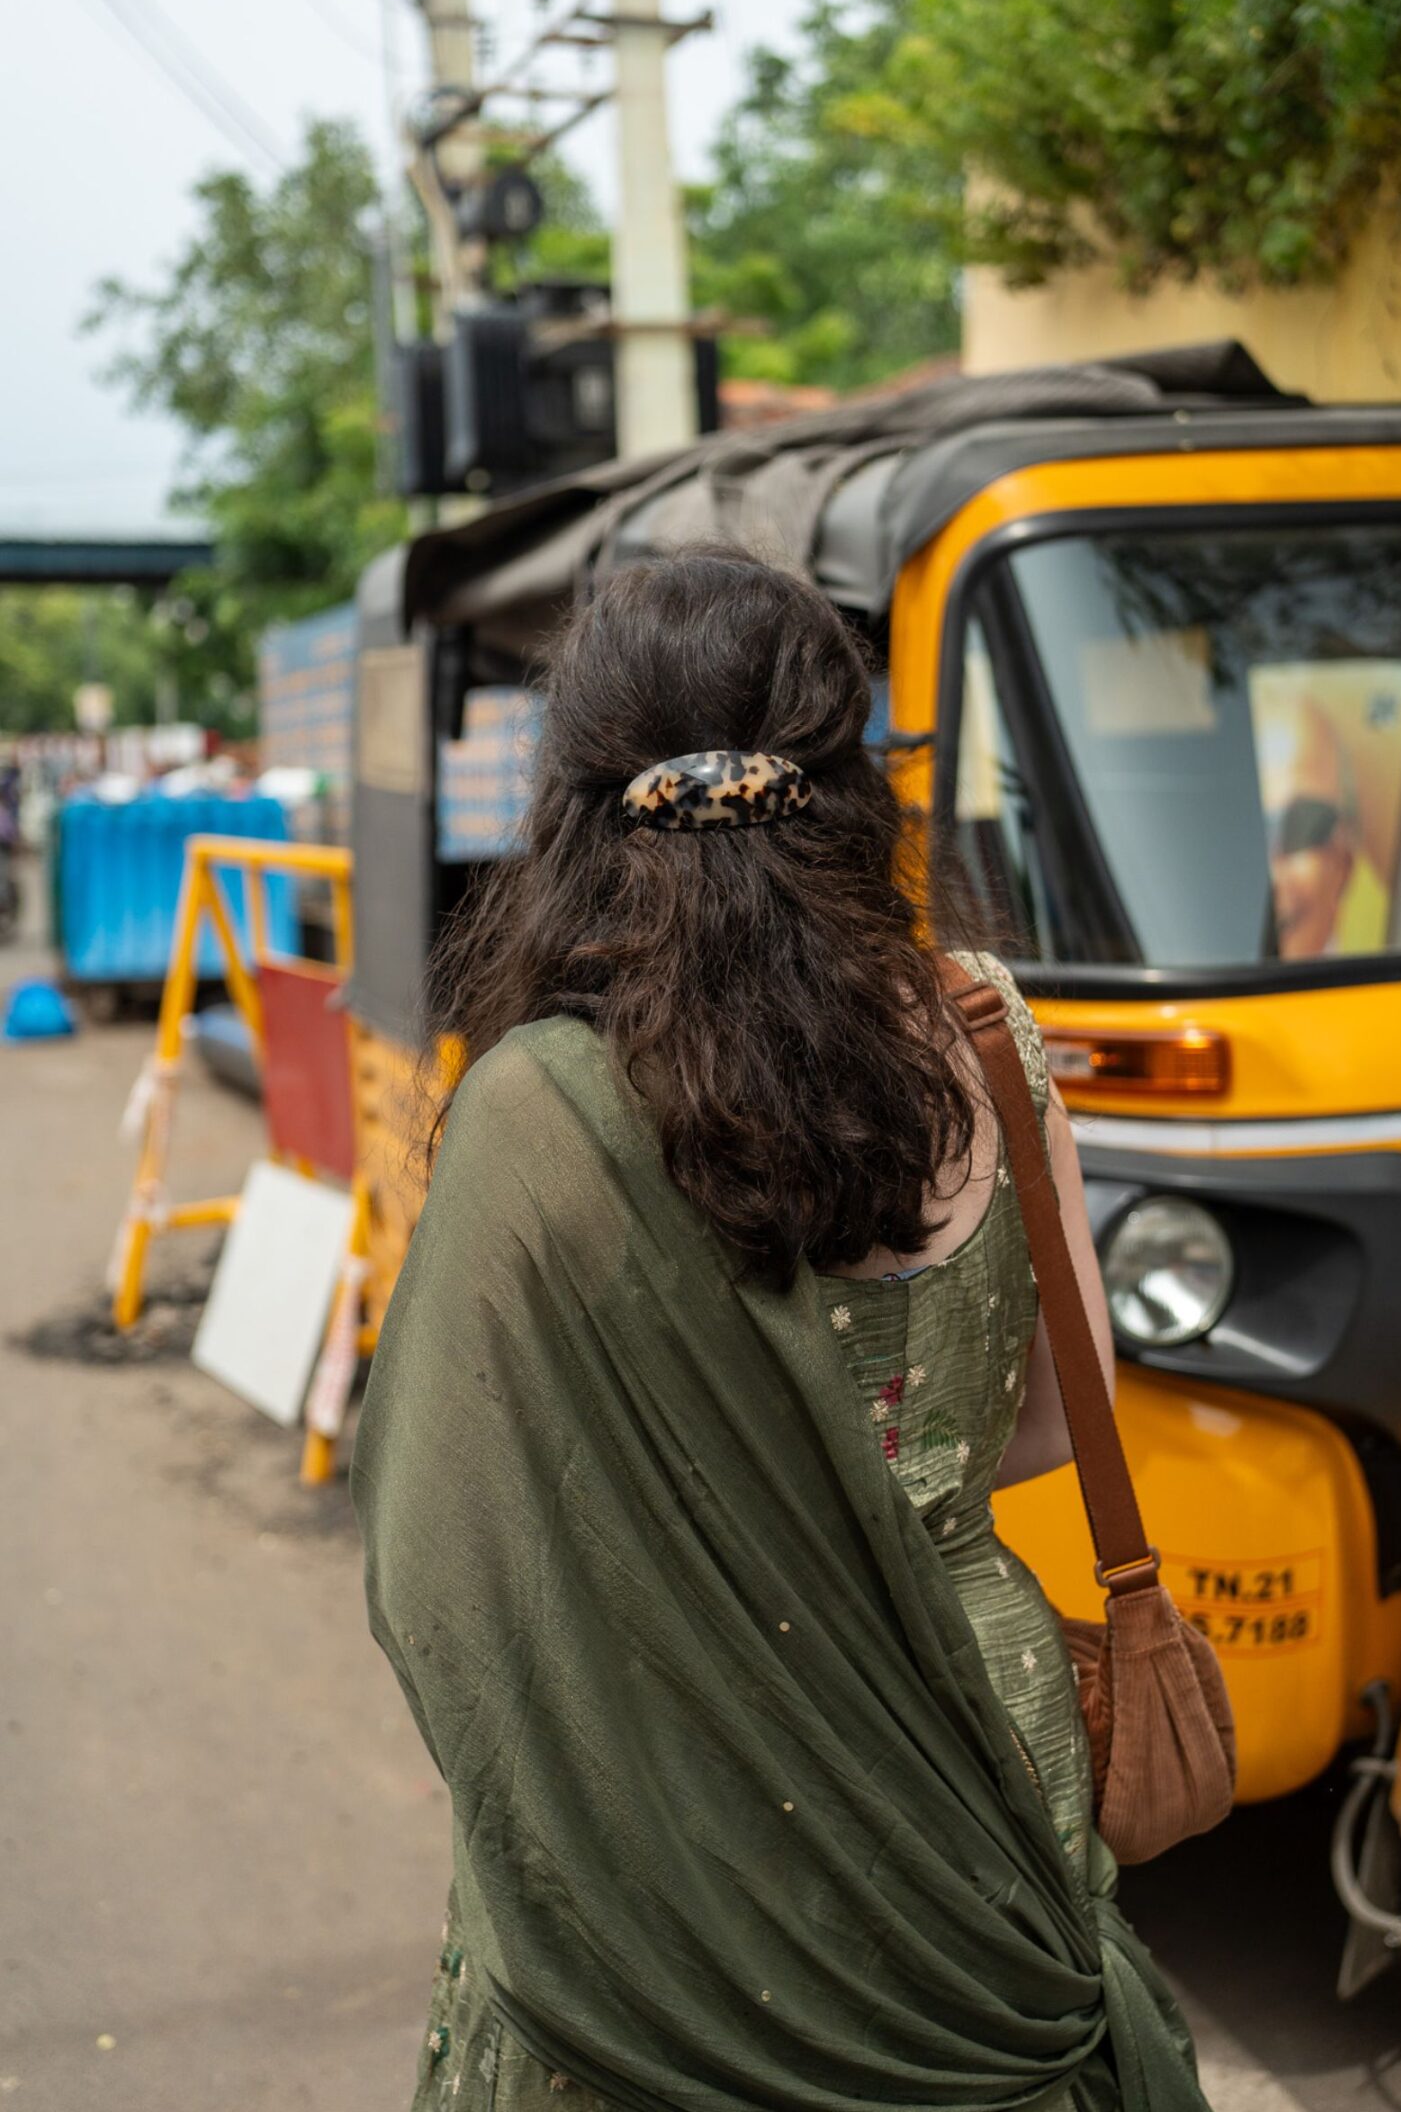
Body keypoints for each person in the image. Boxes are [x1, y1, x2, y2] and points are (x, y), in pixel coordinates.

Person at [352, 549, 1208, 2112]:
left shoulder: (546, 1111)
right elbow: (1044, 1424)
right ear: (849, 779)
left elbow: (443, 1545)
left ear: (577, 806)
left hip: (680, 1769)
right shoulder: (985, 1032)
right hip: (984, 1732)